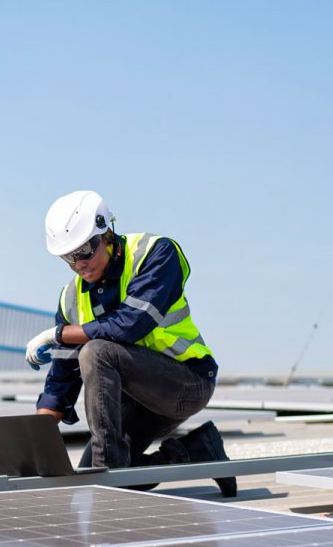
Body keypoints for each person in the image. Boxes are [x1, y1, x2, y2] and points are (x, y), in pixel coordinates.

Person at [24, 190, 236, 496]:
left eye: (84, 251)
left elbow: (130, 325)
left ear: (106, 234)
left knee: (96, 352)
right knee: (91, 476)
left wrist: (58, 334)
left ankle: (109, 476)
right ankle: (196, 450)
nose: (78, 264)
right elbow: (61, 380)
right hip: (137, 401)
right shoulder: (71, 297)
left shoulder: (155, 254)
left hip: (186, 383)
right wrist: (34, 440)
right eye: (68, 257)